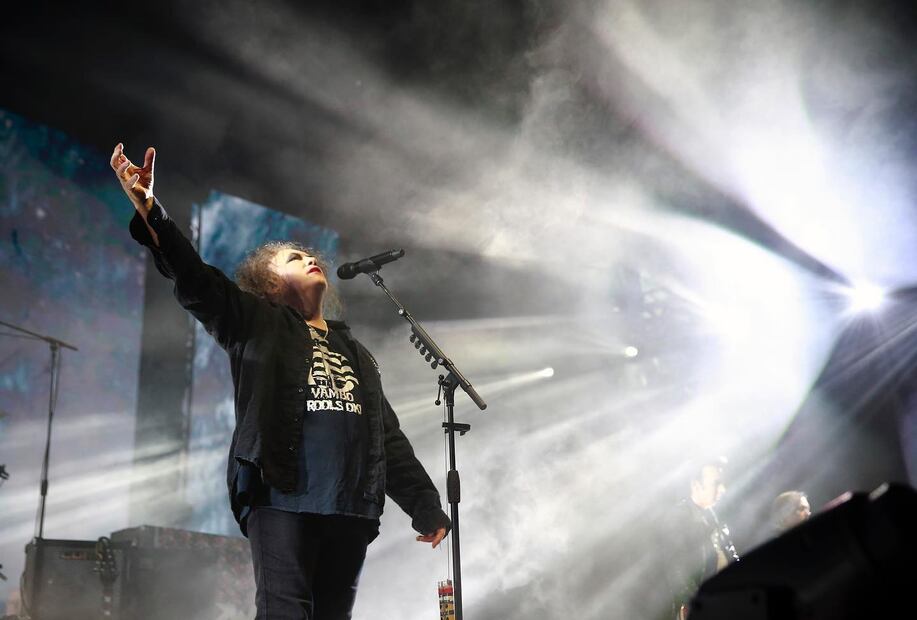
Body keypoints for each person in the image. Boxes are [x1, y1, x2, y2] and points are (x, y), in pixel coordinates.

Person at [111, 143, 450, 620]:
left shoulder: (356, 351)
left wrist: (424, 504)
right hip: (281, 495)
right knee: (284, 612)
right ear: (270, 284)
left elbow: (385, 437)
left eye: (310, 256)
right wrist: (152, 211)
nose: (310, 260)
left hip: (350, 504)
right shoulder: (254, 322)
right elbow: (195, 278)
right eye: (293, 258)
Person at [661, 456, 739, 620]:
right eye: (716, 483)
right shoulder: (678, 518)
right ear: (696, 485)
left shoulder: (715, 516)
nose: (722, 489)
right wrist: (693, 603)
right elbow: (676, 570)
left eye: (722, 483)